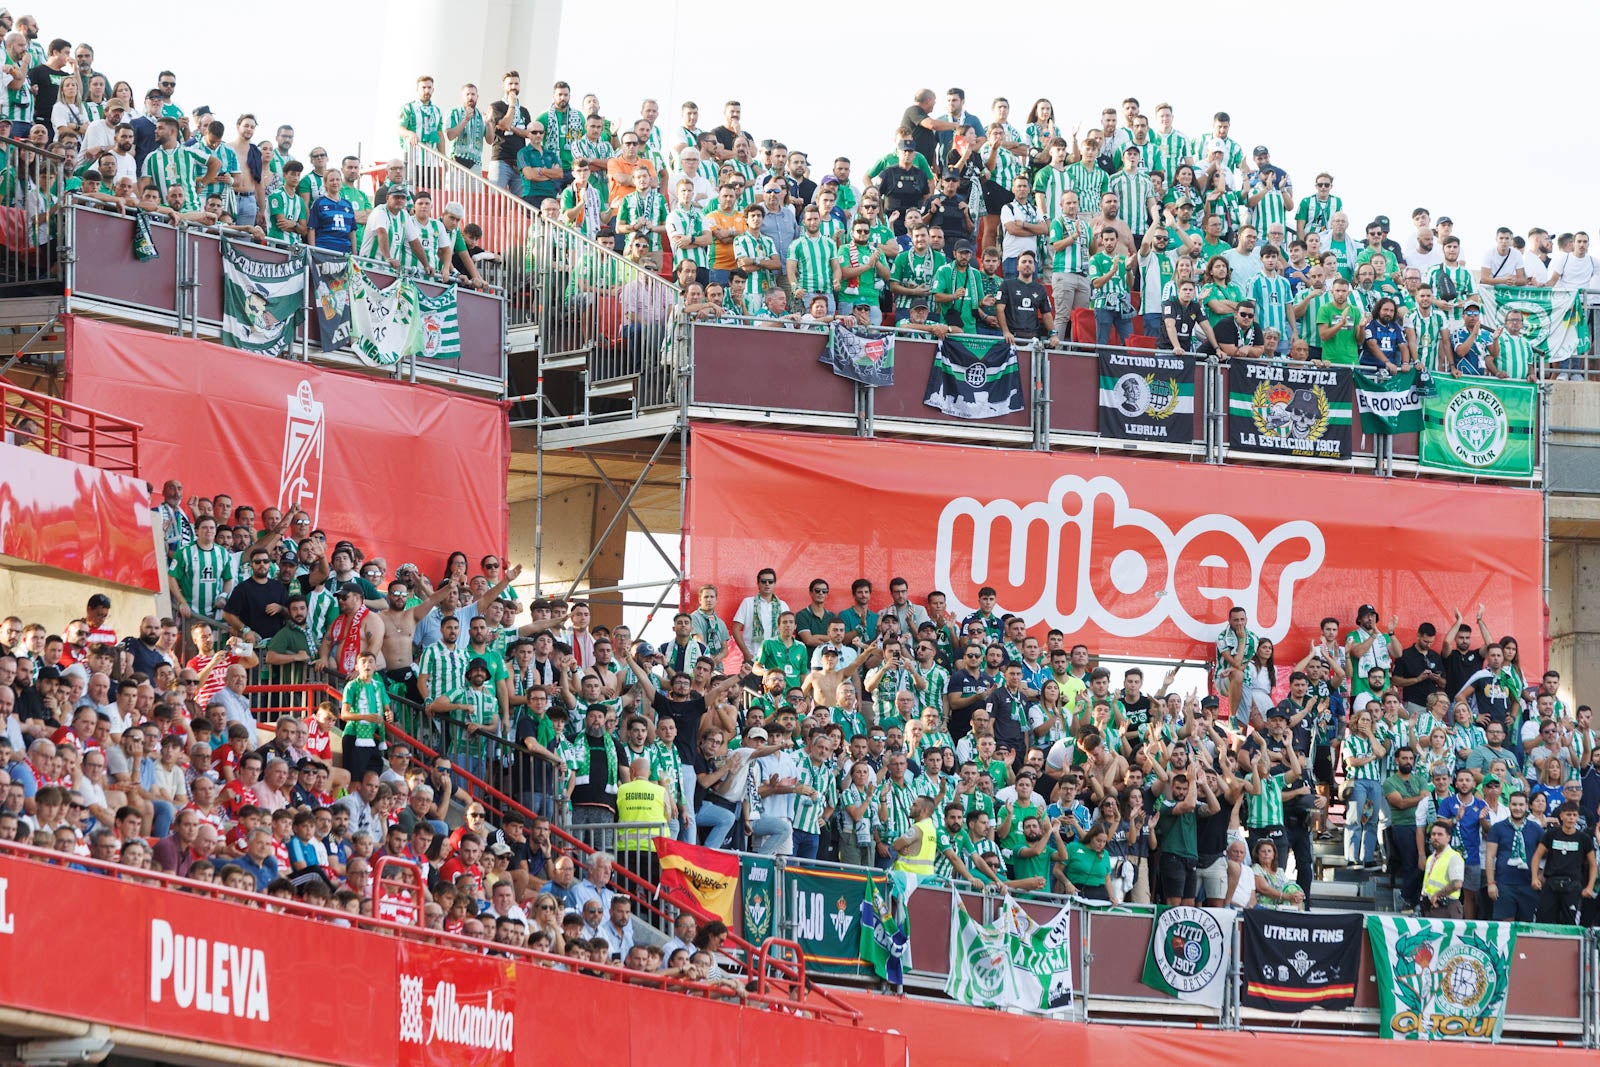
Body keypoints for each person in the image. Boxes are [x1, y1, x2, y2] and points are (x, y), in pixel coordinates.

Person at [1531, 801, 1596, 925]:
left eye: (1574, 815)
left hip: (1572, 886)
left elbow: (1593, 864)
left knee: (1569, 923)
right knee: (1543, 921)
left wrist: (1589, 887)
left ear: (1577, 817)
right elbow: (1537, 856)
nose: (1571, 818)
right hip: (1551, 883)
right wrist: (1534, 878)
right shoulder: (1551, 834)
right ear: (1561, 816)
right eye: (1568, 814)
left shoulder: (1584, 839)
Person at [1420, 820, 1465, 918]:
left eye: (1440, 834)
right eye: (1433, 834)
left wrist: (1438, 894)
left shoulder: (1454, 857)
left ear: (1448, 837)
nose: (1435, 837)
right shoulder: (1431, 858)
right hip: (1430, 906)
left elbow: (1457, 884)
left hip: (1447, 907)